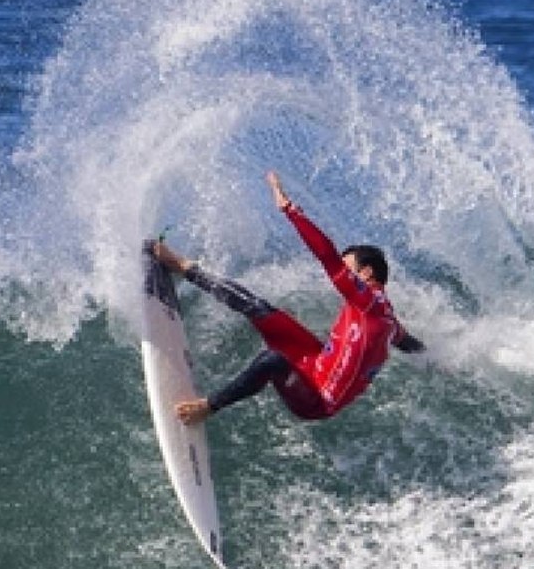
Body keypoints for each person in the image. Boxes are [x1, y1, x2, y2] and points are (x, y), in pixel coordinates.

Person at [148, 170, 424, 425]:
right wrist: (438, 356)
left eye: (349, 268)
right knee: (258, 307)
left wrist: (288, 208)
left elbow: (327, 256)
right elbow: (406, 341)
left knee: (273, 360)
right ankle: (183, 267)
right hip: (313, 360)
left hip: (316, 399)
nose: (344, 275)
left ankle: (207, 407)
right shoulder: (387, 321)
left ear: (366, 273)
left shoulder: (370, 303)